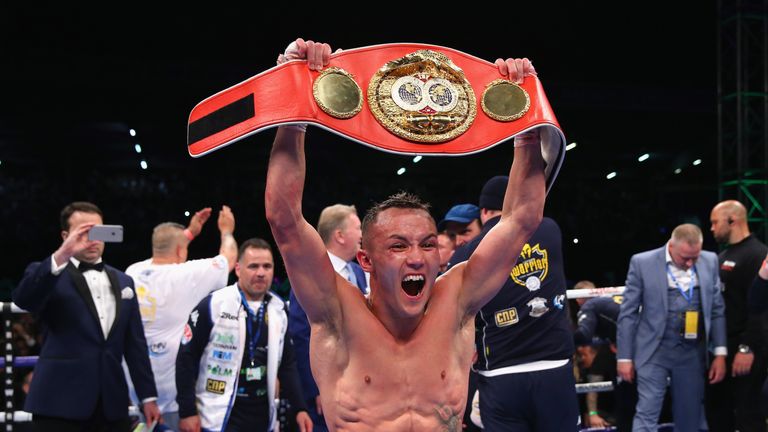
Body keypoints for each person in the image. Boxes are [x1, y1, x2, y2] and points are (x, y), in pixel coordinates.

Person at [265, 37, 545, 430]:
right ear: (366, 260)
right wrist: (292, 107)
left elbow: (521, 218)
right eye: (398, 246)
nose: (417, 256)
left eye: (427, 244)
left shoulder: (458, 299)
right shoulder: (336, 314)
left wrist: (526, 123)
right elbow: (285, 221)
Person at [13, 201, 160, 432]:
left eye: (98, 232)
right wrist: (62, 255)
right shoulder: (47, 273)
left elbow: (135, 345)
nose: (92, 240)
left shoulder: (124, 281)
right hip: (58, 404)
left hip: (112, 405)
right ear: (65, 236)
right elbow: (25, 300)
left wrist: (148, 396)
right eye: (83, 233)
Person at [449, 175, 578, 431]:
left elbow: (453, 317)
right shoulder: (550, 229)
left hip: (500, 373)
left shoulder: (465, 254)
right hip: (553, 367)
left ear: (484, 211)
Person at [176, 238, 312, 432]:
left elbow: (287, 365)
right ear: (238, 269)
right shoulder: (214, 304)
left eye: (267, 266)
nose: (261, 273)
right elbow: (186, 359)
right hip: (218, 416)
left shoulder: (279, 309)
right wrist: (187, 411)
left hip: (263, 416)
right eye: (253, 266)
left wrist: (300, 408)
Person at [125, 206, 237, 430]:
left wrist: (189, 233)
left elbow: (169, 246)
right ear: (179, 250)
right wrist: (226, 231)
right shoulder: (186, 275)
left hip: (136, 390)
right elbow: (229, 258)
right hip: (172, 398)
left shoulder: (133, 271)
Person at [617, 223, 726, 431]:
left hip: (691, 351)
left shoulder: (710, 260)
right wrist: (624, 357)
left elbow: (717, 309)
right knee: (647, 412)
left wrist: (720, 353)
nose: (690, 262)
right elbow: (628, 313)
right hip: (653, 349)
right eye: (685, 257)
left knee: (690, 416)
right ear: (671, 246)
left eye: (695, 257)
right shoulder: (643, 262)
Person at [288, 203, 367, 432]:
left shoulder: (359, 272)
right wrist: (317, 389)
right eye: (358, 228)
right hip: (326, 387)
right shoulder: (310, 274)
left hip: (361, 384)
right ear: (340, 235)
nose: (362, 234)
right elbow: (301, 337)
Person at [706, 199, 768, 431]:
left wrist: (747, 347)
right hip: (723, 347)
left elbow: (761, 308)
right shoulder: (722, 256)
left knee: (748, 411)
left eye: (715, 222)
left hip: (747, 346)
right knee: (719, 411)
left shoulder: (758, 255)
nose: (711, 228)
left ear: (732, 221)